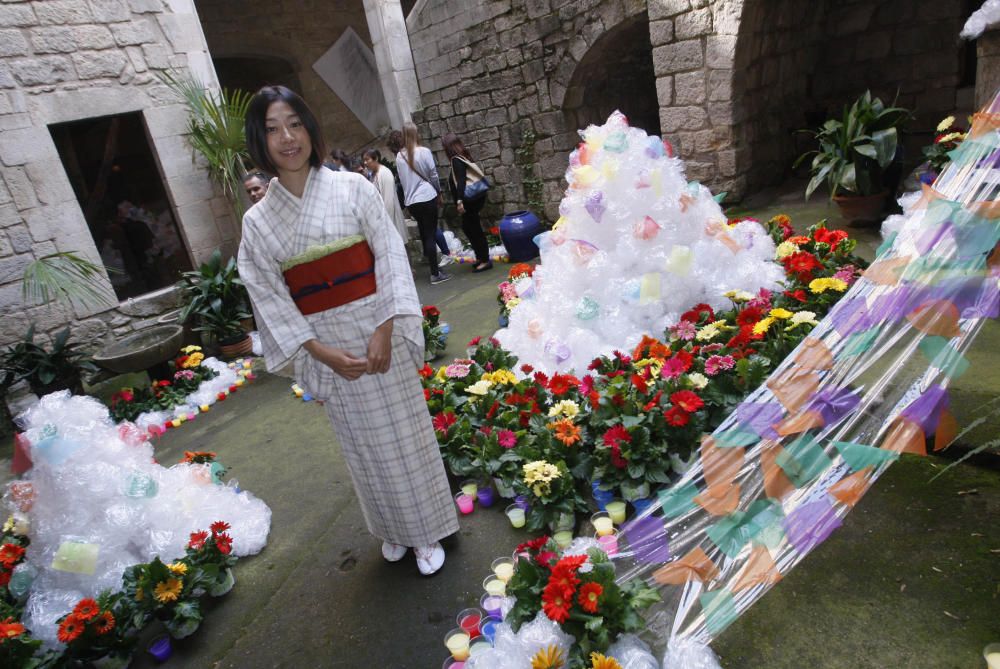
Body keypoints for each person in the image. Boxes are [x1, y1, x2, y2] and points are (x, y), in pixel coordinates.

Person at [237, 86, 458, 576]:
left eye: (294, 123)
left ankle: (426, 530)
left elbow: (390, 255)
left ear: (310, 129)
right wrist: (318, 351)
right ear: (260, 140)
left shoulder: (352, 187)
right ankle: (393, 528)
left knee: (406, 435)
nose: (287, 138)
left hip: (378, 329)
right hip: (328, 345)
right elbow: (269, 296)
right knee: (361, 445)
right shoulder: (257, 223)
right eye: (273, 129)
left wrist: (385, 327)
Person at [395, 121, 452, 284]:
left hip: (412, 202)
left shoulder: (399, 156)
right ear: (416, 134)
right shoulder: (424, 152)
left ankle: (432, 263)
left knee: (424, 231)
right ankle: (435, 273)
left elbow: (402, 180)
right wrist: (438, 193)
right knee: (430, 233)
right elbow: (433, 174)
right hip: (426, 197)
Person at [442, 133, 492, 272]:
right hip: (475, 198)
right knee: (469, 227)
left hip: (469, 200)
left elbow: (461, 181)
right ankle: (481, 257)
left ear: (448, 147)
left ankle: (485, 260)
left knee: (473, 228)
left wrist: (459, 201)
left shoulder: (456, 160)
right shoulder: (463, 156)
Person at [363, 148, 407, 242]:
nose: (365, 163)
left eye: (367, 159)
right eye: (364, 160)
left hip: (389, 219)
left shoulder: (384, 173)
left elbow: (388, 201)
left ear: (376, 159)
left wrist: (387, 224)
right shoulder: (373, 174)